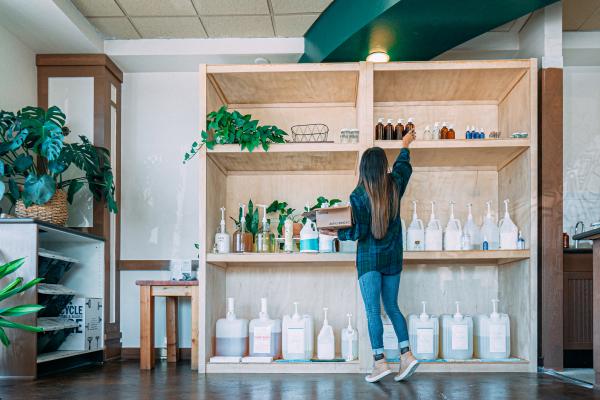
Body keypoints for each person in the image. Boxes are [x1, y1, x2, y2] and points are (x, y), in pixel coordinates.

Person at [321, 129, 417, 383]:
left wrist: (336, 234)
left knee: (373, 311)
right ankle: (406, 356)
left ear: (364, 168)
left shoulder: (359, 195)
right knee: (393, 307)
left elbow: (359, 230)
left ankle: (380, 362)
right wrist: (405, 144)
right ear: (383, 166)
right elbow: (403, 165)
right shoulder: (395, 183)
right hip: (393, 257)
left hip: (369, 260)